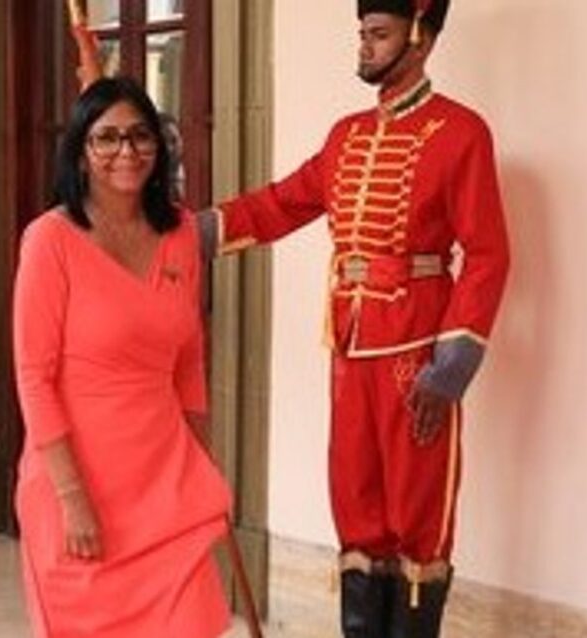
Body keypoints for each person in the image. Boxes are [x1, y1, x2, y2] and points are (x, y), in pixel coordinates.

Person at [200, 1, 510, 635]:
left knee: (417, 515)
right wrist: (190, 230)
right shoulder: (346, 136)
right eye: (362, 34)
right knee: (358, 507)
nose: (365, 46)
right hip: (350, 348)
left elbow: (486, 252)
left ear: (418, 38)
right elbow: (282, 202)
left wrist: (452, 365)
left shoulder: (461, 131)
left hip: (418, 353)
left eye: (379, 34)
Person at [13, 76, 233, 638]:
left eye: (140, 136)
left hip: (164, 483)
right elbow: (34, 378)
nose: (126, 151)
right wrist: (71, 498)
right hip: (76, 483)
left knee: (195, 624)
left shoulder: (182, 230)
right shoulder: (48, 240)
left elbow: (188, 361)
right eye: (106, 138)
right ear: (82, 153)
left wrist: (200, 467)